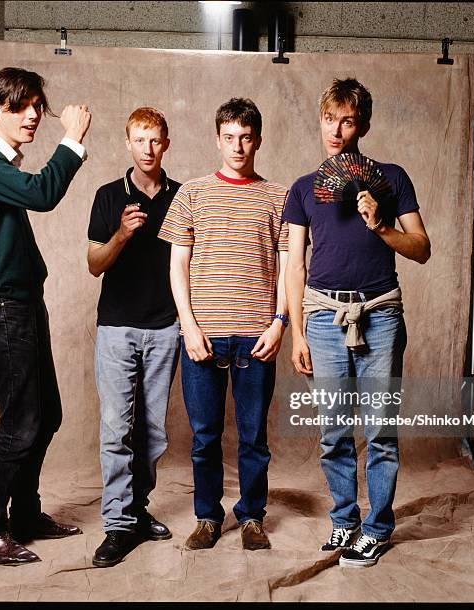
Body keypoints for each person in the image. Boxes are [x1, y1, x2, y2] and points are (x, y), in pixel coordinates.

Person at [284, 78, 431, 567]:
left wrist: (381, 225)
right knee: (333, 429)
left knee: (381, 429)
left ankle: (378, 528)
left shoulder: (392, 179)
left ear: (362, 124)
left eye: (347, 120)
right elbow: (294, 265)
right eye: (330, 118)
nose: (337, 129)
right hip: (323, 316)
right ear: (321, 120)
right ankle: (345, 521)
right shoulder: (305, 188)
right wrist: (298, 332)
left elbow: (423, 249)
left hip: (380, 314)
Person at [0, 67, 91, 565]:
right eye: (20, 105)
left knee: (45, 414)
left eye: (37, 105)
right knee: (20, 422)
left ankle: (25, 514)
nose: (33, 115)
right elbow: (42, 195)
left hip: (24, 304)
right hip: (3, 308)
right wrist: (71, 140)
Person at [159, 98, 289, 551]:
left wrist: (279, 323)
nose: (238, 146)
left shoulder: (278, 196)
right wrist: (189, 327)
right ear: (218, 139)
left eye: (246, 138)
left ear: (258, 139)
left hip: (257, 336)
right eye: (229, 137)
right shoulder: (192, 193)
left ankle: (252, 516)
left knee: (253, 436)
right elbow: (178, 266)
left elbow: (290, 265)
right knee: (205, 436)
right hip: (204, 337)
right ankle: (208, 518)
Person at [87, 107, 181, 568]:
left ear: (166, 143)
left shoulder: (183, 197)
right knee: (116, 429)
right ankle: (118, 525)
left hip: (166, 327)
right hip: (117, 327)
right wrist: (121, 234)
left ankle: (137, 511)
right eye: (139, 140)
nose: (148, 149)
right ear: (128, 143)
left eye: (155, 140)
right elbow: (94, 263)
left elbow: (193, 266)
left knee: (153, 432)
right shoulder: (108, 196)